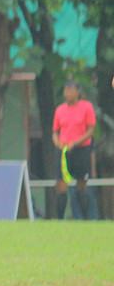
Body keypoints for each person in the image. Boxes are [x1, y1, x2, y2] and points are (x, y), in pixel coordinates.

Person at [52, 80, 96, 220]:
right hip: (65, 151)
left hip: (81, 150)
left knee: (81, 184)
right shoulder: (60, 110)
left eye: (71, 90)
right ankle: (59, 218)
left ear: (77, 92)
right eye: (66, 90)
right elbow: (55, 132)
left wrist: (75, 142)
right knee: (61, 183)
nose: (68, 93)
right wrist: (57, 142)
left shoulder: (86, 107)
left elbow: (90, 130)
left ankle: (84, 218)